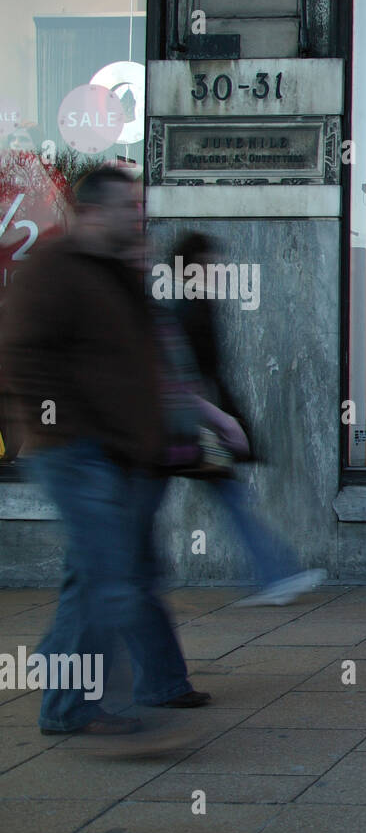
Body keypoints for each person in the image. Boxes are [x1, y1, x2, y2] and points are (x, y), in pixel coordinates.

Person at [0, 165, 210, 735]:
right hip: (74, 450)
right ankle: (77, 706)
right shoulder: (53, 268)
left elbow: (148, 363)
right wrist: (72, 425)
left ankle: (96, 691)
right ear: (93, 211)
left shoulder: (115, 272)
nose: (136, 216)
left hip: (120, 453)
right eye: (127, 207)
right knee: (107, 576)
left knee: (108, 573)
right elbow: (21, 357)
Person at [162, 232, 324, 606]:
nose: (218, 267)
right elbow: (189, 378)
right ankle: (277, 574)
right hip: (187, 428)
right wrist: (224, 421)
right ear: (191, 267)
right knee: (228, 499)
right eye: (210, 260)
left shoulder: (197, 307)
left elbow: (212, 375)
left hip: (192, 428)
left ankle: (277, 573)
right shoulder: (186, 311)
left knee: (230, 497)